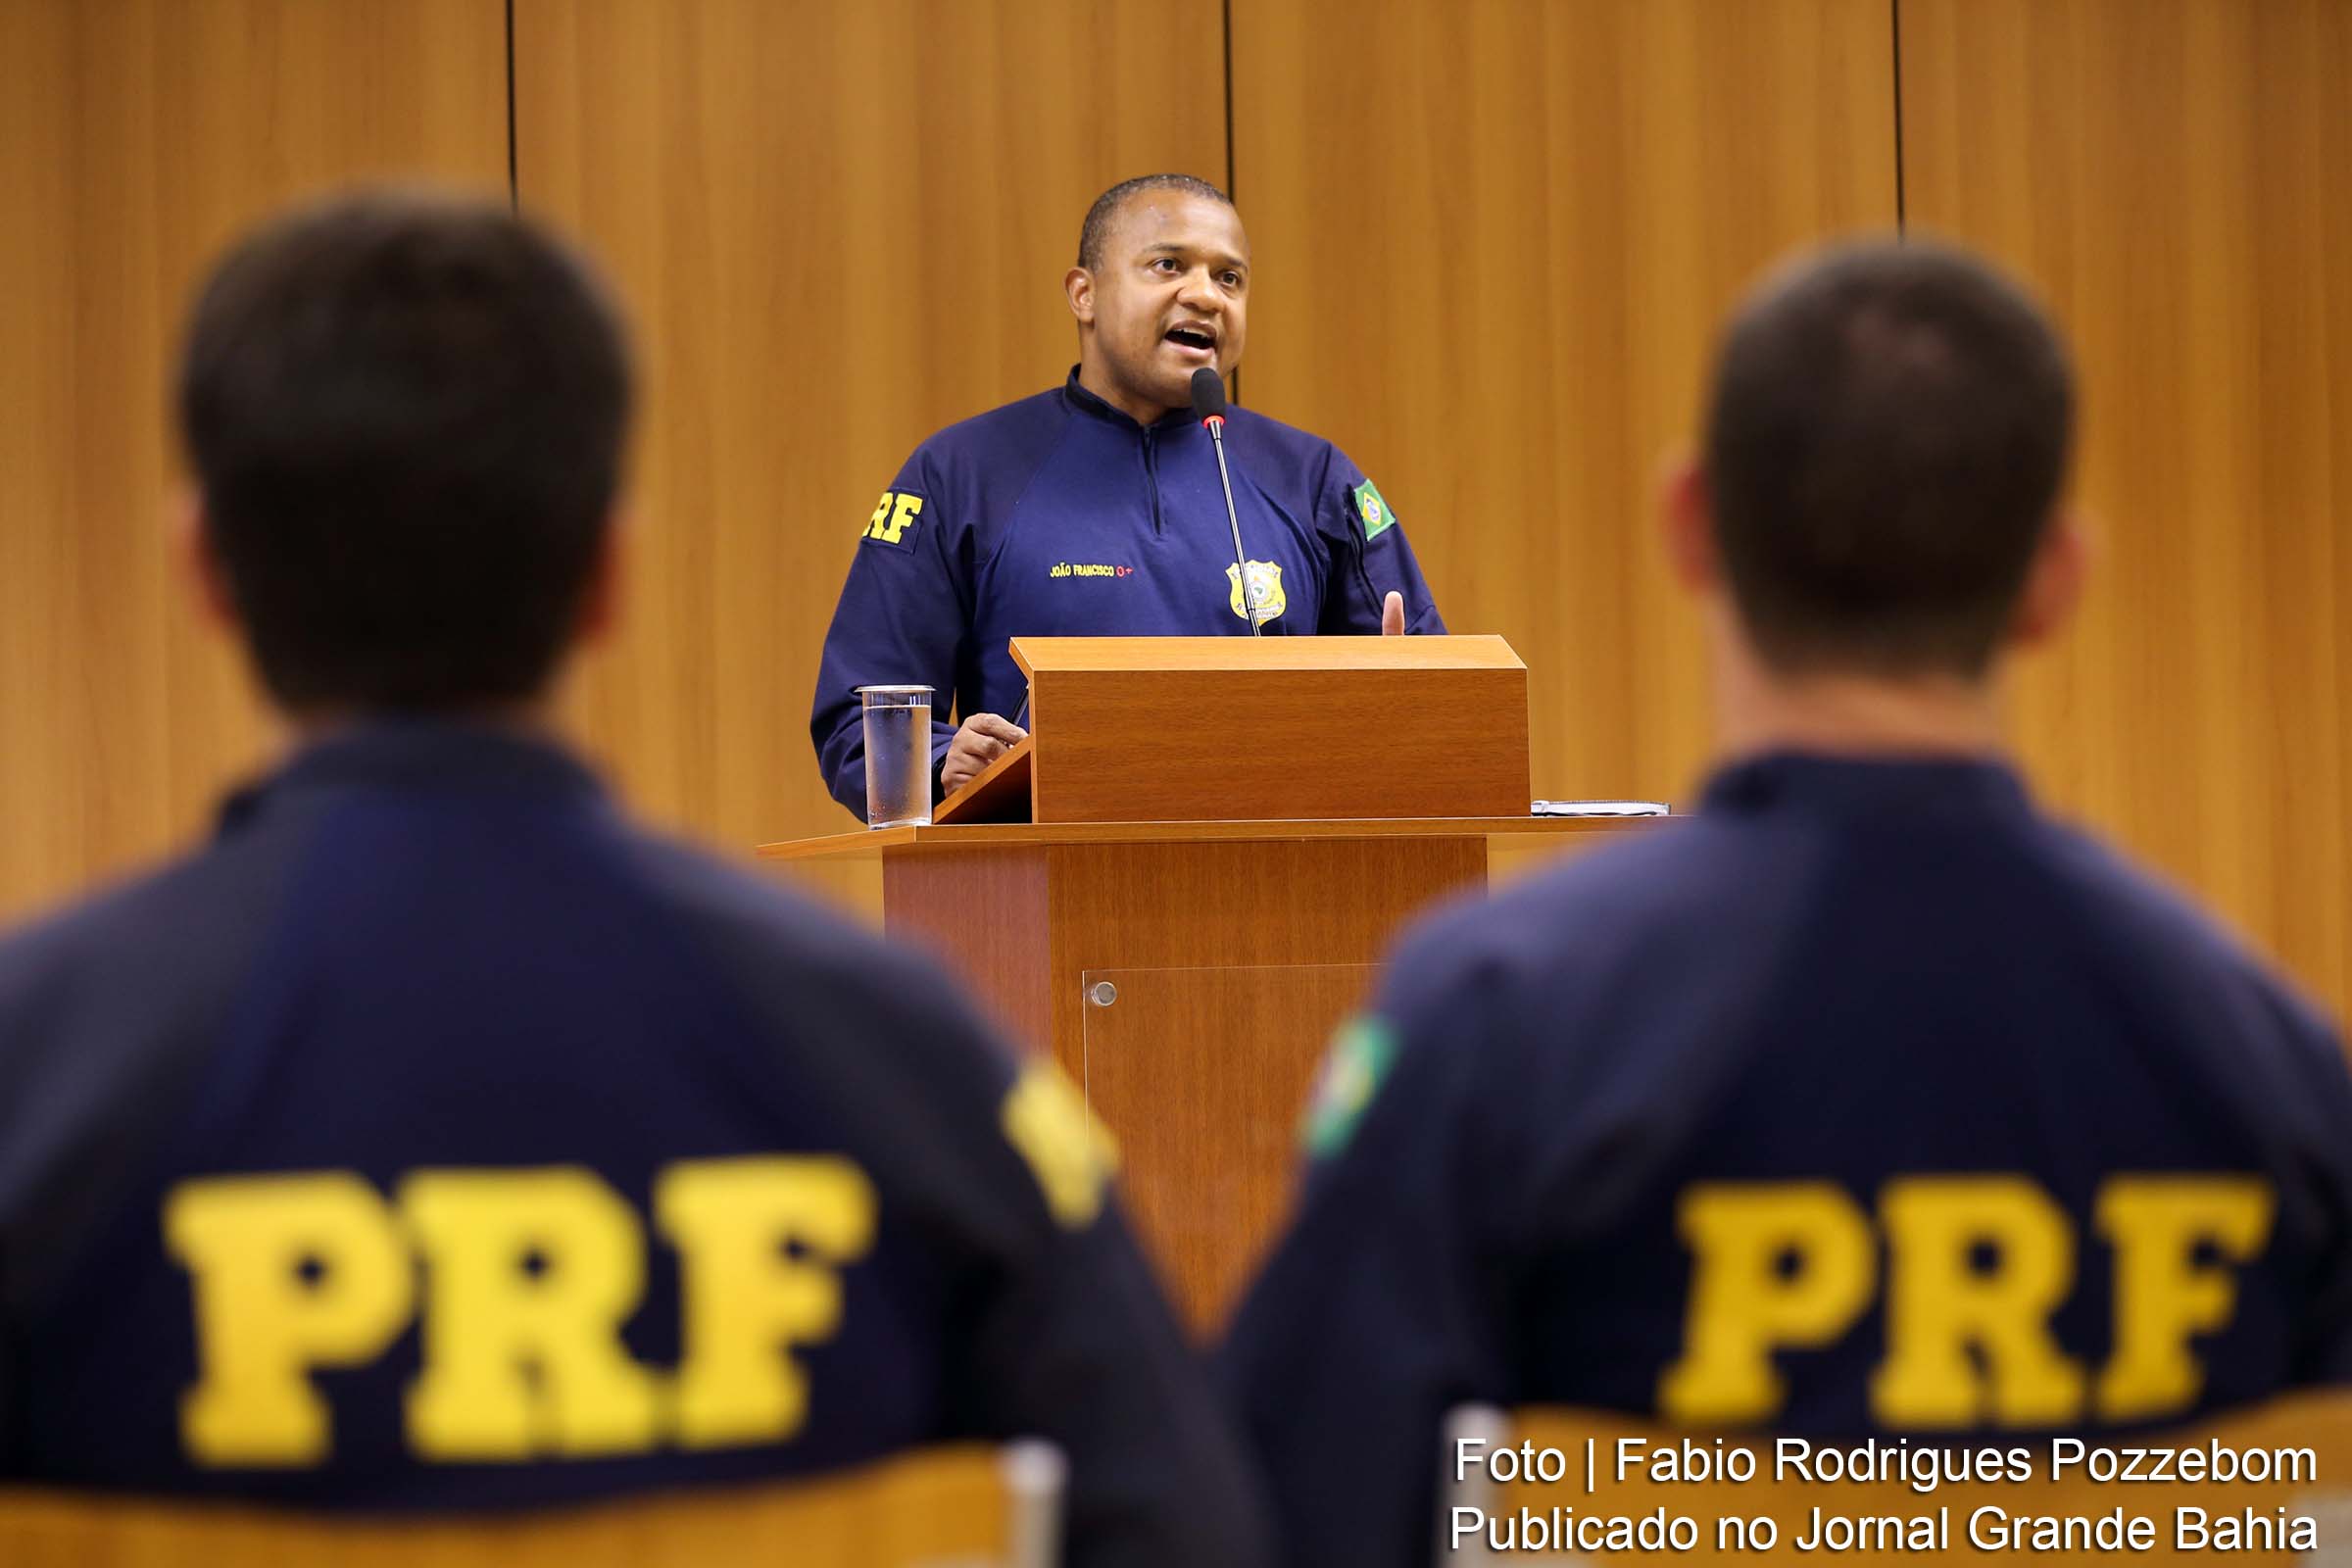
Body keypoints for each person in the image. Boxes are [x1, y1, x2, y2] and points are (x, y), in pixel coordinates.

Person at [0, 189, 1273, 1565]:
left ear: (205, 573)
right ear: (609, 573)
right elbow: (1187, 1527)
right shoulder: (923, 1068)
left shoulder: (35, 1068)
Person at [1219, 239, 2352, 1568]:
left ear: (1690, 528)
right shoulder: (2271, 1062)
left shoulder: (1490, 1017)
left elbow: (1278, 1504)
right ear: (2055, 580)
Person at [810, 172, 1446, 814]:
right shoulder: (961, 473)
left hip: (1278, 867)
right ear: (1083, 294)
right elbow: (858, 722)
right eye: (1169, 265)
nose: (1205, 295)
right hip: (1038, 867)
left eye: (1229, 278)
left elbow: (1442, 710)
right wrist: (946, 761)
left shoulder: (1313, 478)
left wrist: (1405, 709)